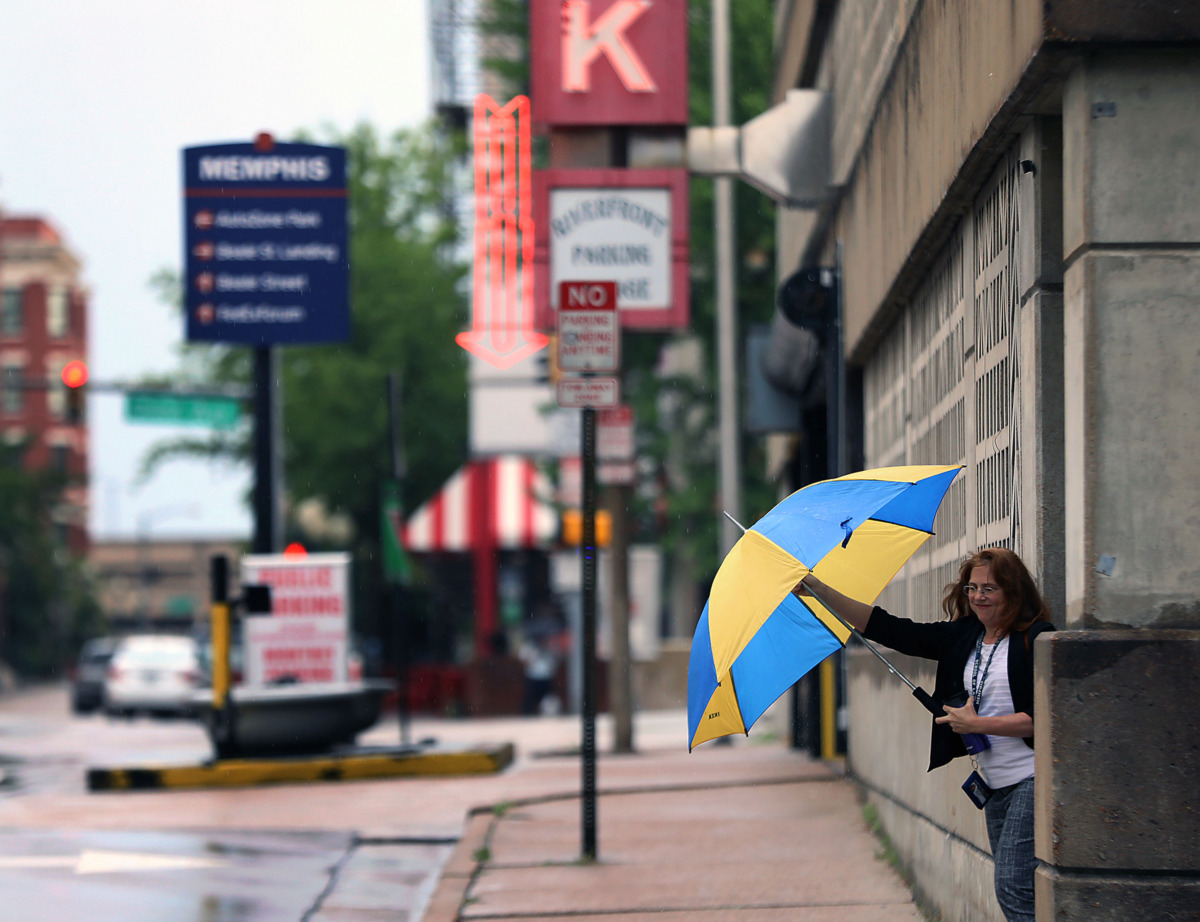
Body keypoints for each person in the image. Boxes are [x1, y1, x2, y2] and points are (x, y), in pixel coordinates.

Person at [798, 547, 1054, 922]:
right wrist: (820, 590)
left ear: (1013, 591)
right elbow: (891, 629)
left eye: (989, 589)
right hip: (995, 784)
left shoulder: (1036, 637)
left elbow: (1041, 719)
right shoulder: (966, 635)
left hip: (1031, 778)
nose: (978, 597)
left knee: (1011, 886)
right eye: (972, 589)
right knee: (1016, 888)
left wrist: (978, 725)